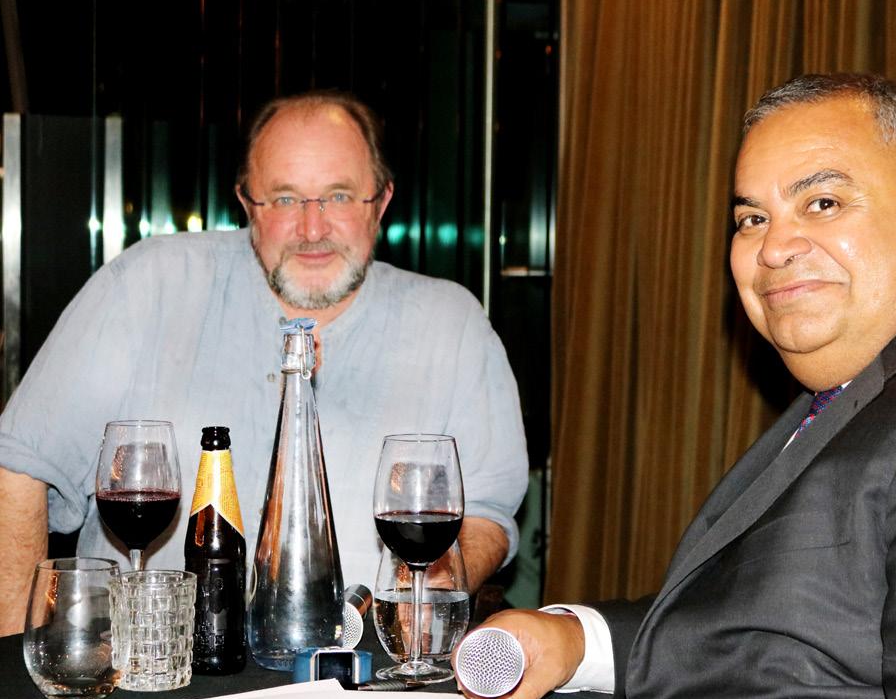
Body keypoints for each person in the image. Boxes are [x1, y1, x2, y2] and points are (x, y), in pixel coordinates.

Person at [457, 73, 896, 699]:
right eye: (752, 219)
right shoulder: (854, 391)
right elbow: (770, 629)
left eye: (823, 203)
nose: (774, 248)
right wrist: (578, 640)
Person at [0, 90, 528, 636]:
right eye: (284, 199)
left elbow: (485, 510)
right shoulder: (148, 286)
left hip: (360, 668)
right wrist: (12, 662)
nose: (313, 229)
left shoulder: (451, 324)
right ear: (248, 204)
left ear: (381, 202)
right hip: (144, 665)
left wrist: (431, 583)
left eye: (339, 196)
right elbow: (18, 463)